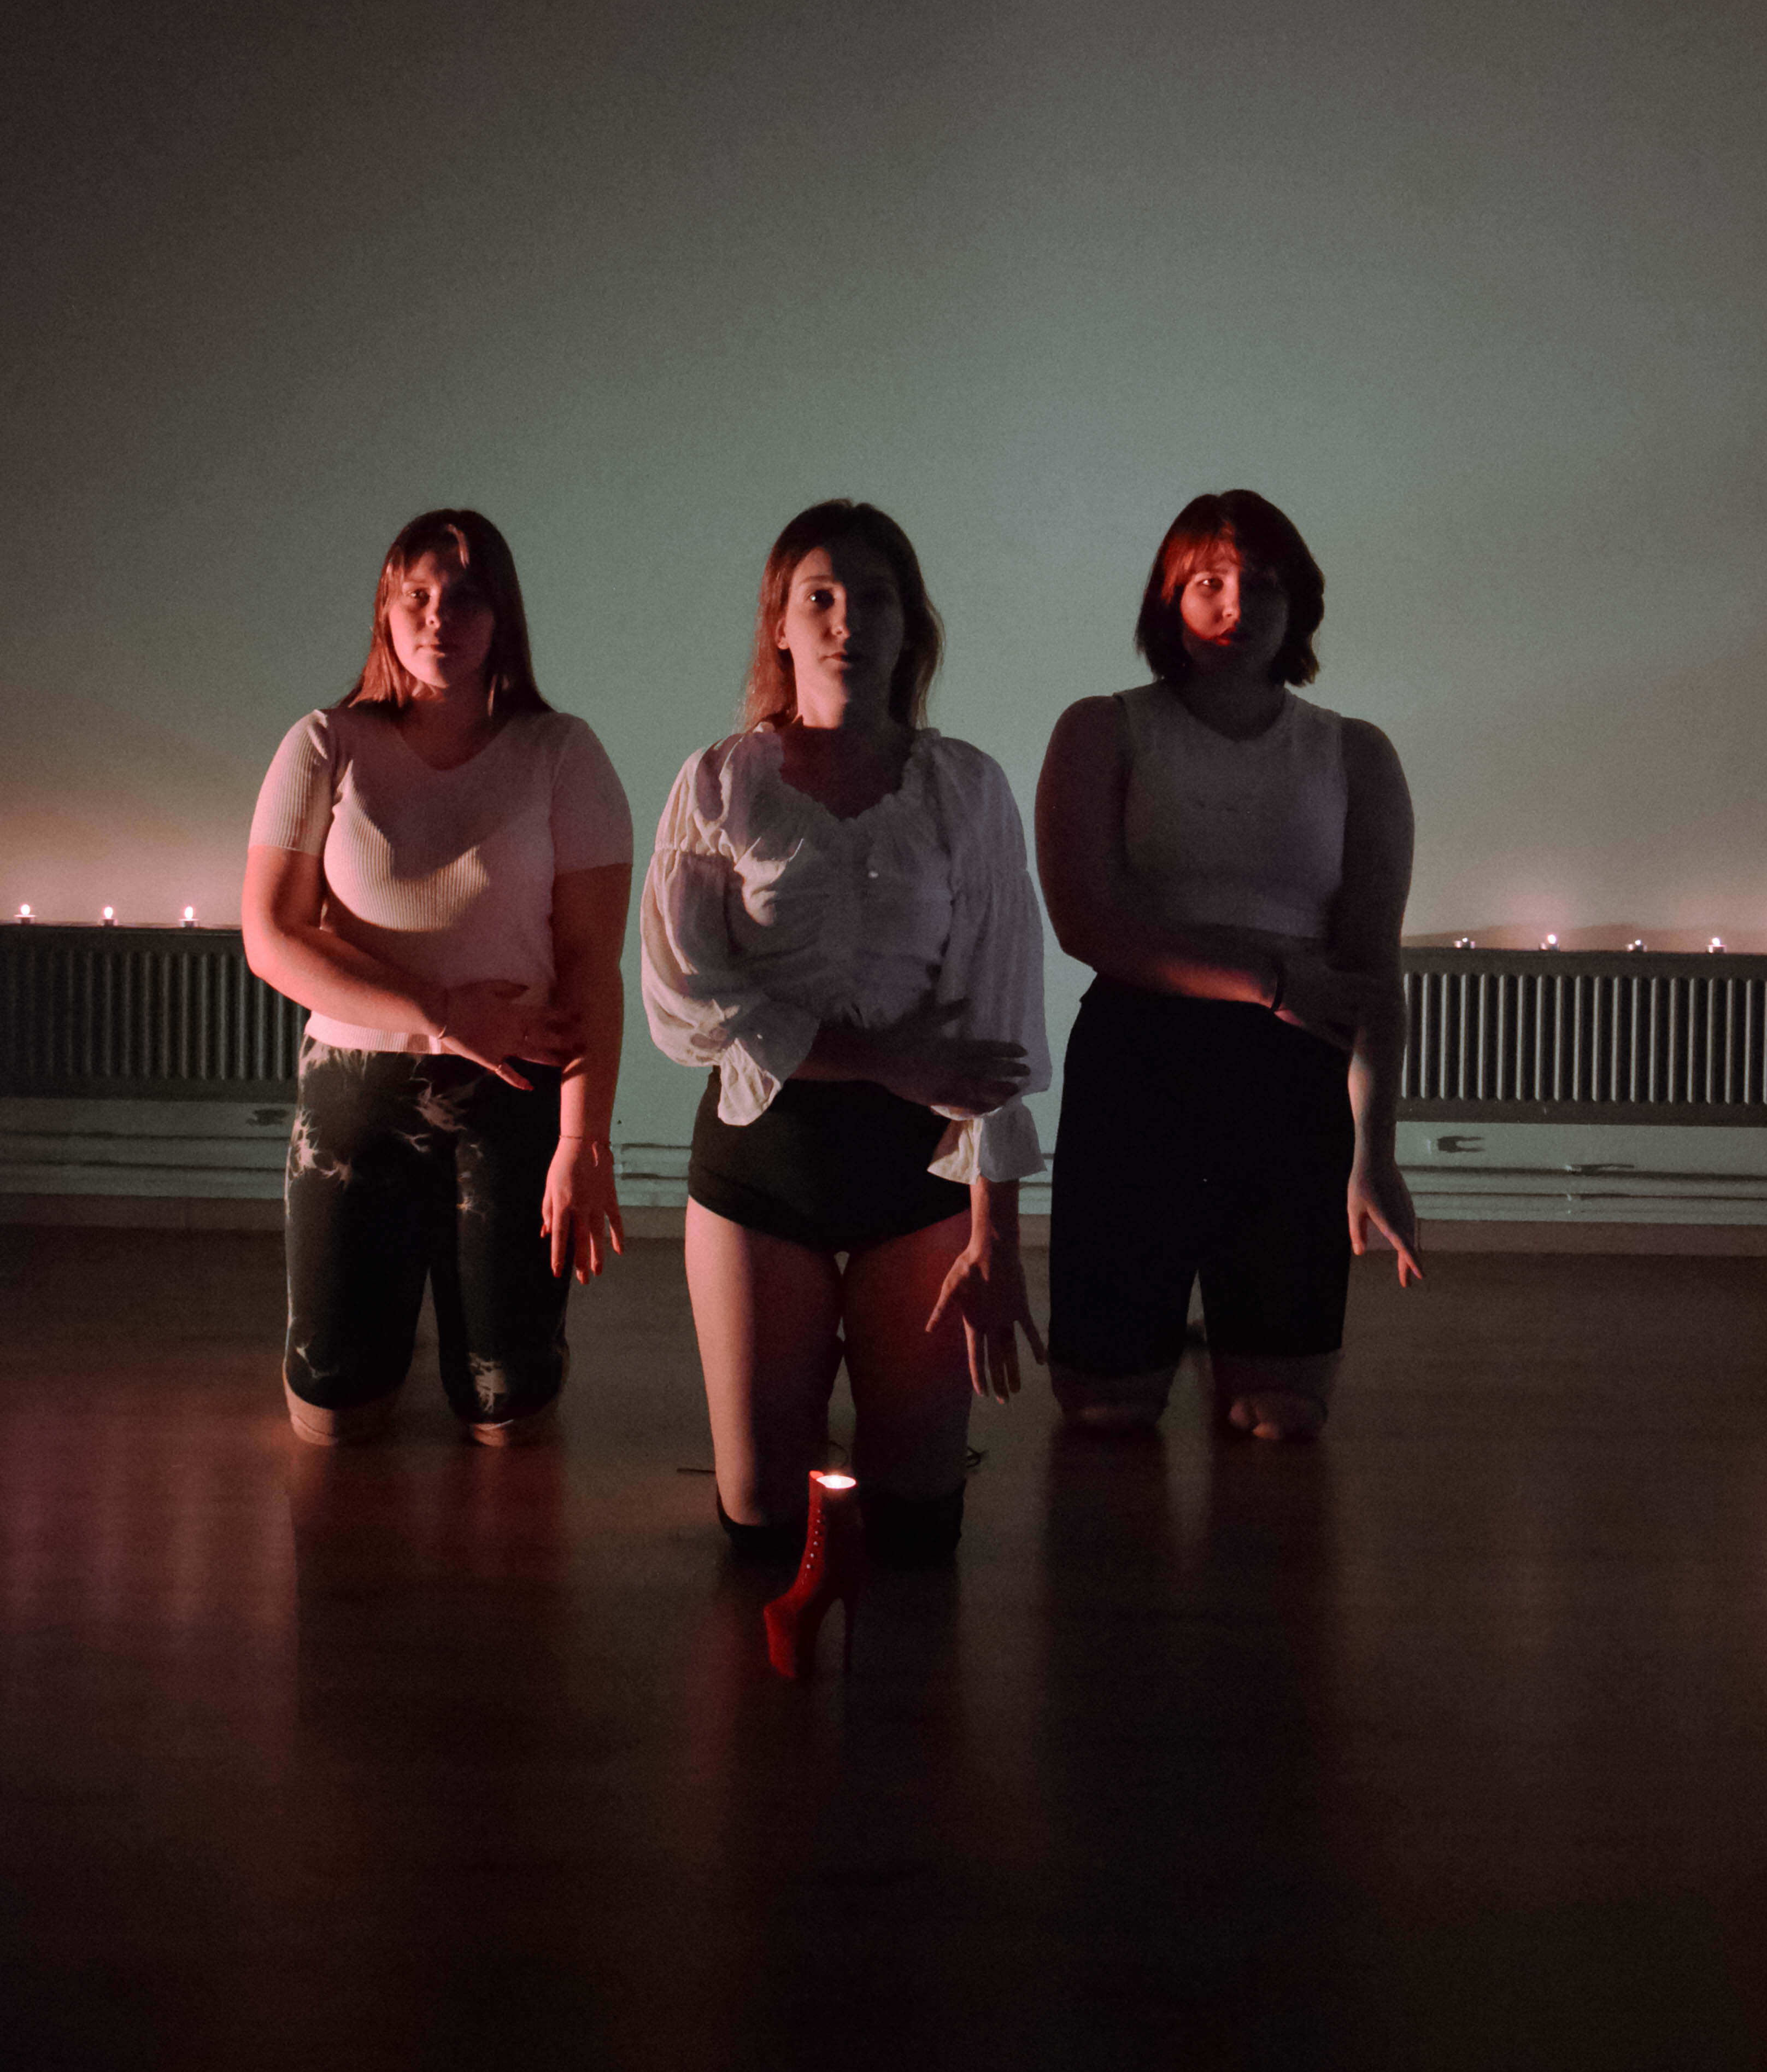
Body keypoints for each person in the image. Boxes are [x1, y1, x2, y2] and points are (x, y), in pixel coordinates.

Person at [641, 499, 1049, 1565]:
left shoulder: (966, 787)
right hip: (762, 1164)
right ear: (779, 623)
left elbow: (995, 1029)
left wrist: (996, 1237)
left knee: (916, 1509)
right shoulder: (720, 783)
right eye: (819, 596)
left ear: (910, 625)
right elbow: (688, 1002)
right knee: (764, 1512)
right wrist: (885, 1060)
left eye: (875, 597)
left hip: (921, 1177)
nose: (847, 620)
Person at [1035, 489, 1419, 1445]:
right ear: (1167, 597)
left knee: (1277, 1415)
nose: (1237, 604)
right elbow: (1085, 922)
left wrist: (1374, 1153)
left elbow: (1369, 970)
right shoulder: (1104, 728)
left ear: (1300, 604)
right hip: (1140, 1067)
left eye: (1263, 583)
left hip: (1289, 1082)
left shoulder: (1352, 753)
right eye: (1209, 581)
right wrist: (1265, 980)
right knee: (1107, 1407)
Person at [243, 508, 632, 1445]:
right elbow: (271, 936)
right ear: (385, 609)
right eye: (415, 594)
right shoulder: (325, 742)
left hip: (511, 1099)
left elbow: (592, 965)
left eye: (465, 597)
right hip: (353, 1101)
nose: (438, 617)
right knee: (332, 1412)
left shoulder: (561, 752)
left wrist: (584, 1140)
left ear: (503, 616)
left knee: (506, 1411)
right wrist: (443, 1013)